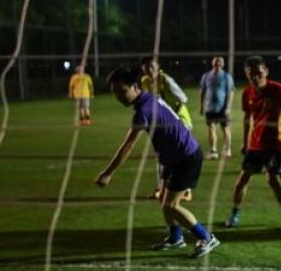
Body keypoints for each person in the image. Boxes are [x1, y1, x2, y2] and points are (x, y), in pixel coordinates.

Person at [94, 67, 219, 259]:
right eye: (114, 92)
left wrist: (107, 173)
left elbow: (127, 146)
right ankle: (176, 238)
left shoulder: (142, 111)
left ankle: (206, 237)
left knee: (171, 205)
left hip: (185, 156)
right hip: (171, 157)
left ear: (135, 87)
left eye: (122, 91)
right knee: (164, 199)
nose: (118, 96)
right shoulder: (148, 98)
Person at [224, 56, 281, 233]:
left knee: (272, 179)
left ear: (266, 72)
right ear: (246, 74)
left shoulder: (278, 90)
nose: (255, 78)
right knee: (242, 179)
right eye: (251, 75)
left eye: (259, 74)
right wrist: (245, 142)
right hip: (255, 144)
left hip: (276, 143)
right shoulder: (247, 93)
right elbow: (246, 118)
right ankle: (235, 214)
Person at [141, 57, 194, 199]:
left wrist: (164, 103)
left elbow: (183, 98)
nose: (149, 70)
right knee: (161, 157)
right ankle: (160, 189)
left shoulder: (166, 80)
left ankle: (187, 190)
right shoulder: (144, 82)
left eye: (152, 67)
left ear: (158, 67)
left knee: (181, 156)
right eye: (146, 67)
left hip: (180, 121)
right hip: (163, 123)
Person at [199, 56, 235, 159]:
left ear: (223, 64)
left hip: (222, 108)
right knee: (211, 129)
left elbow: (230, 92)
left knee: (226, 129)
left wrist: (228, 107)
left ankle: (227, 150)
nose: (218, 63)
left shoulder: (226, 76)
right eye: (216, 61)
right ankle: (213, 151)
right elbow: (202, 91)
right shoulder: (206, 76)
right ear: (212, 63)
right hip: (210, 108)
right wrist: (202, 106)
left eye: (220, 61)